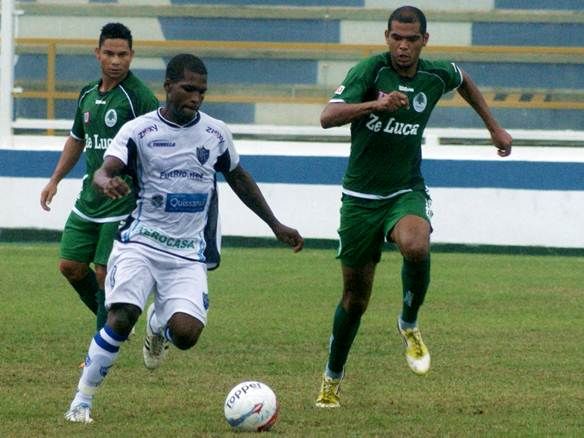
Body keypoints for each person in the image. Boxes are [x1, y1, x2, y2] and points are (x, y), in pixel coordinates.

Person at [64, 53, 304, 423]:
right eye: (189, 89)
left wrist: (276, 225)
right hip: (140, 243)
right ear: (168, 86)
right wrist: (105, 180)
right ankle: (82, 401)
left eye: (202, 91)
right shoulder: (139, 131)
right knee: (121, 317)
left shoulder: (215, 132)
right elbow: (105, 169)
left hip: (187, 253)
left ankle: (158, 325)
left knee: (187, 334)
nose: (196, 98)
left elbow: (238, 177)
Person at [315, 6, 512, 408]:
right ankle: (331, 380)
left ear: (425, 40)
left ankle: (408, 323)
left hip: (405, 189)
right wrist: (376, 105)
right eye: (396, 38)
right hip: (359, 200)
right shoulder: (369, 72)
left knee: (416, 244)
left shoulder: (434, 74)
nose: (403, 47)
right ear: (387, 37)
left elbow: (463, 79)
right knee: (355, 299)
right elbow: (327, 117)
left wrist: (494, 126)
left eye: (411, 39)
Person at [40, 23, 159, 332]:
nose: (116, 61)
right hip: (89, 199)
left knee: (105, 272)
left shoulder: (139, 98)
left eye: (123, 54)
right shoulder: (88, 94)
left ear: (132, 56)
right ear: (97, 54)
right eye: (109, 53)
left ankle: (100, 346)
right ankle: (118, 324)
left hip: (122, 200)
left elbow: (159, 144)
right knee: (71, 266)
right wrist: (55, 180)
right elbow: (77, 139)